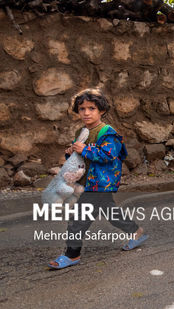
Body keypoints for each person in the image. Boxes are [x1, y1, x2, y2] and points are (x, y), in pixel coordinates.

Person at [48, 88, 147, 269]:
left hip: (101, 182)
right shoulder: (82, 131)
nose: (86, 113)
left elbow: (108, 155)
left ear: (101, 110)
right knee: (111, 212)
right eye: (82, 109)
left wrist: (84, 149)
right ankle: (136, 230)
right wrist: (71, 152)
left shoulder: (107, 132)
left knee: (78, 220)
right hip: (88, 182)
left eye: (91, 108)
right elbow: (80, 158)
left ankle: (72, 255)